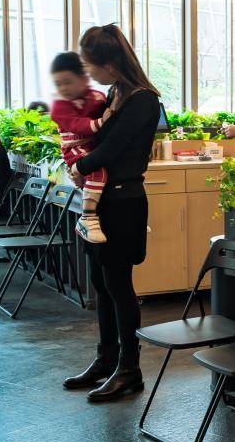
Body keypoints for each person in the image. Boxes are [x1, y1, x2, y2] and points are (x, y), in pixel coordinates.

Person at [62, 25, 161, 403]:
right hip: (101, 201)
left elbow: (114, 148)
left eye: (90, 66)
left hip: (124, 202)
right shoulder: (114, 93)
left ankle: (129, 368)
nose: (88, 73)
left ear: (110, 63)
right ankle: (106, 358)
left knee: (119, 285)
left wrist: (80, 166)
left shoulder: (143, 100)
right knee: (100, 283)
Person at [49, 52, 111, 244]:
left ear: (84, 78)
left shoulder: (97, 97)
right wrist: (100, 122)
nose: (63, 88)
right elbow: (77, 125)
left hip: (91, 146)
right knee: (97, 172)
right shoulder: (59, 106)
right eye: (58, 84)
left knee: (108, 177)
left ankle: (121, 219)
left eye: (67, 82)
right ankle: (87, 218)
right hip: (74, 149)